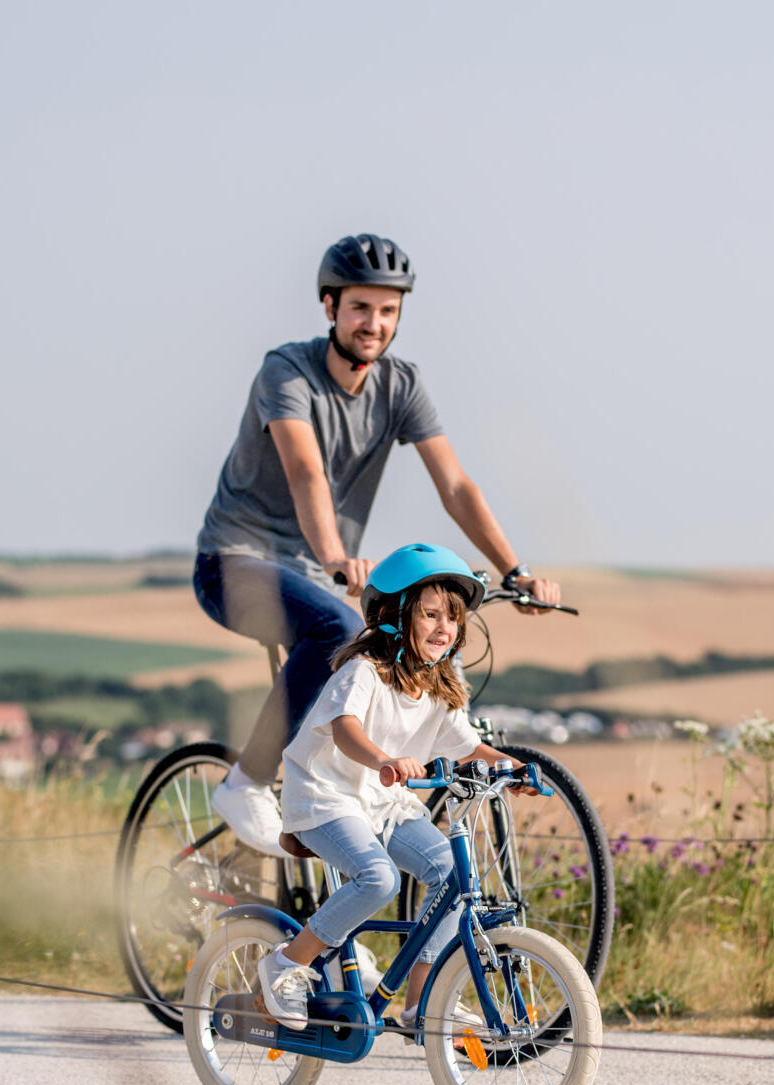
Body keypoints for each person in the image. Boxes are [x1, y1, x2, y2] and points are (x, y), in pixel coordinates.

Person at [195, 233, 560, 856]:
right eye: (361, 307)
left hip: (321, 572)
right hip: (237, 561)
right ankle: (246, 783)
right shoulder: (286, 371)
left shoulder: (401, 385)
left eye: (388, 310)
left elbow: (455, 483)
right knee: (336, 628)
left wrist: (516, 569)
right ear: (330, 306)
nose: (375, 323)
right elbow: (306, 470)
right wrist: (336, 557)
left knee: (387, 655)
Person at [254, 544, 525, 1031]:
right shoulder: (364, 671)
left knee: (451, 874)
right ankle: (287, 965)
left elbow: (467, 747)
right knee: (379, 880)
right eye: (430, 614)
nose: (445, 627)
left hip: (382, 804)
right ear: (395, 616)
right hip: (325, 796)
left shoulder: (437, 689)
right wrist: (383, 760)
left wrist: (513, 768)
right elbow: (345, 728)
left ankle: (420, 1000)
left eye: (453, 618)